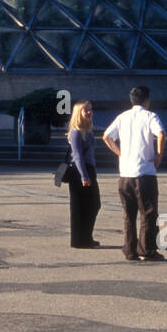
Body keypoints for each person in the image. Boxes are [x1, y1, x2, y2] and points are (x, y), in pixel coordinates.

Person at [103, 86, 167, 261]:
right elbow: (160, 133)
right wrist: (158, 155)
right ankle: (146, 250)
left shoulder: (122, 117)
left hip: (125, 174)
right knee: (148, 213)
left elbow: (106, 136)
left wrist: (120, 153)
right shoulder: (150, 116)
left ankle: (129, 249)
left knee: (128, 214)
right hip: (144, 173)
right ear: (147, 100)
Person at [66, 100, 101, 248]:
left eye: (90, 109)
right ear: (78, 113)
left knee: (92, 205)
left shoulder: (87, 130)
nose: (89, 112)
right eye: (85, 110)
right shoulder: (76, 131)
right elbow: (78, 155)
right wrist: (84, 176)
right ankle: (80, 240)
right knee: (82, 206)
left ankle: (86, 237)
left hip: (88, 170)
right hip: (80, 171)